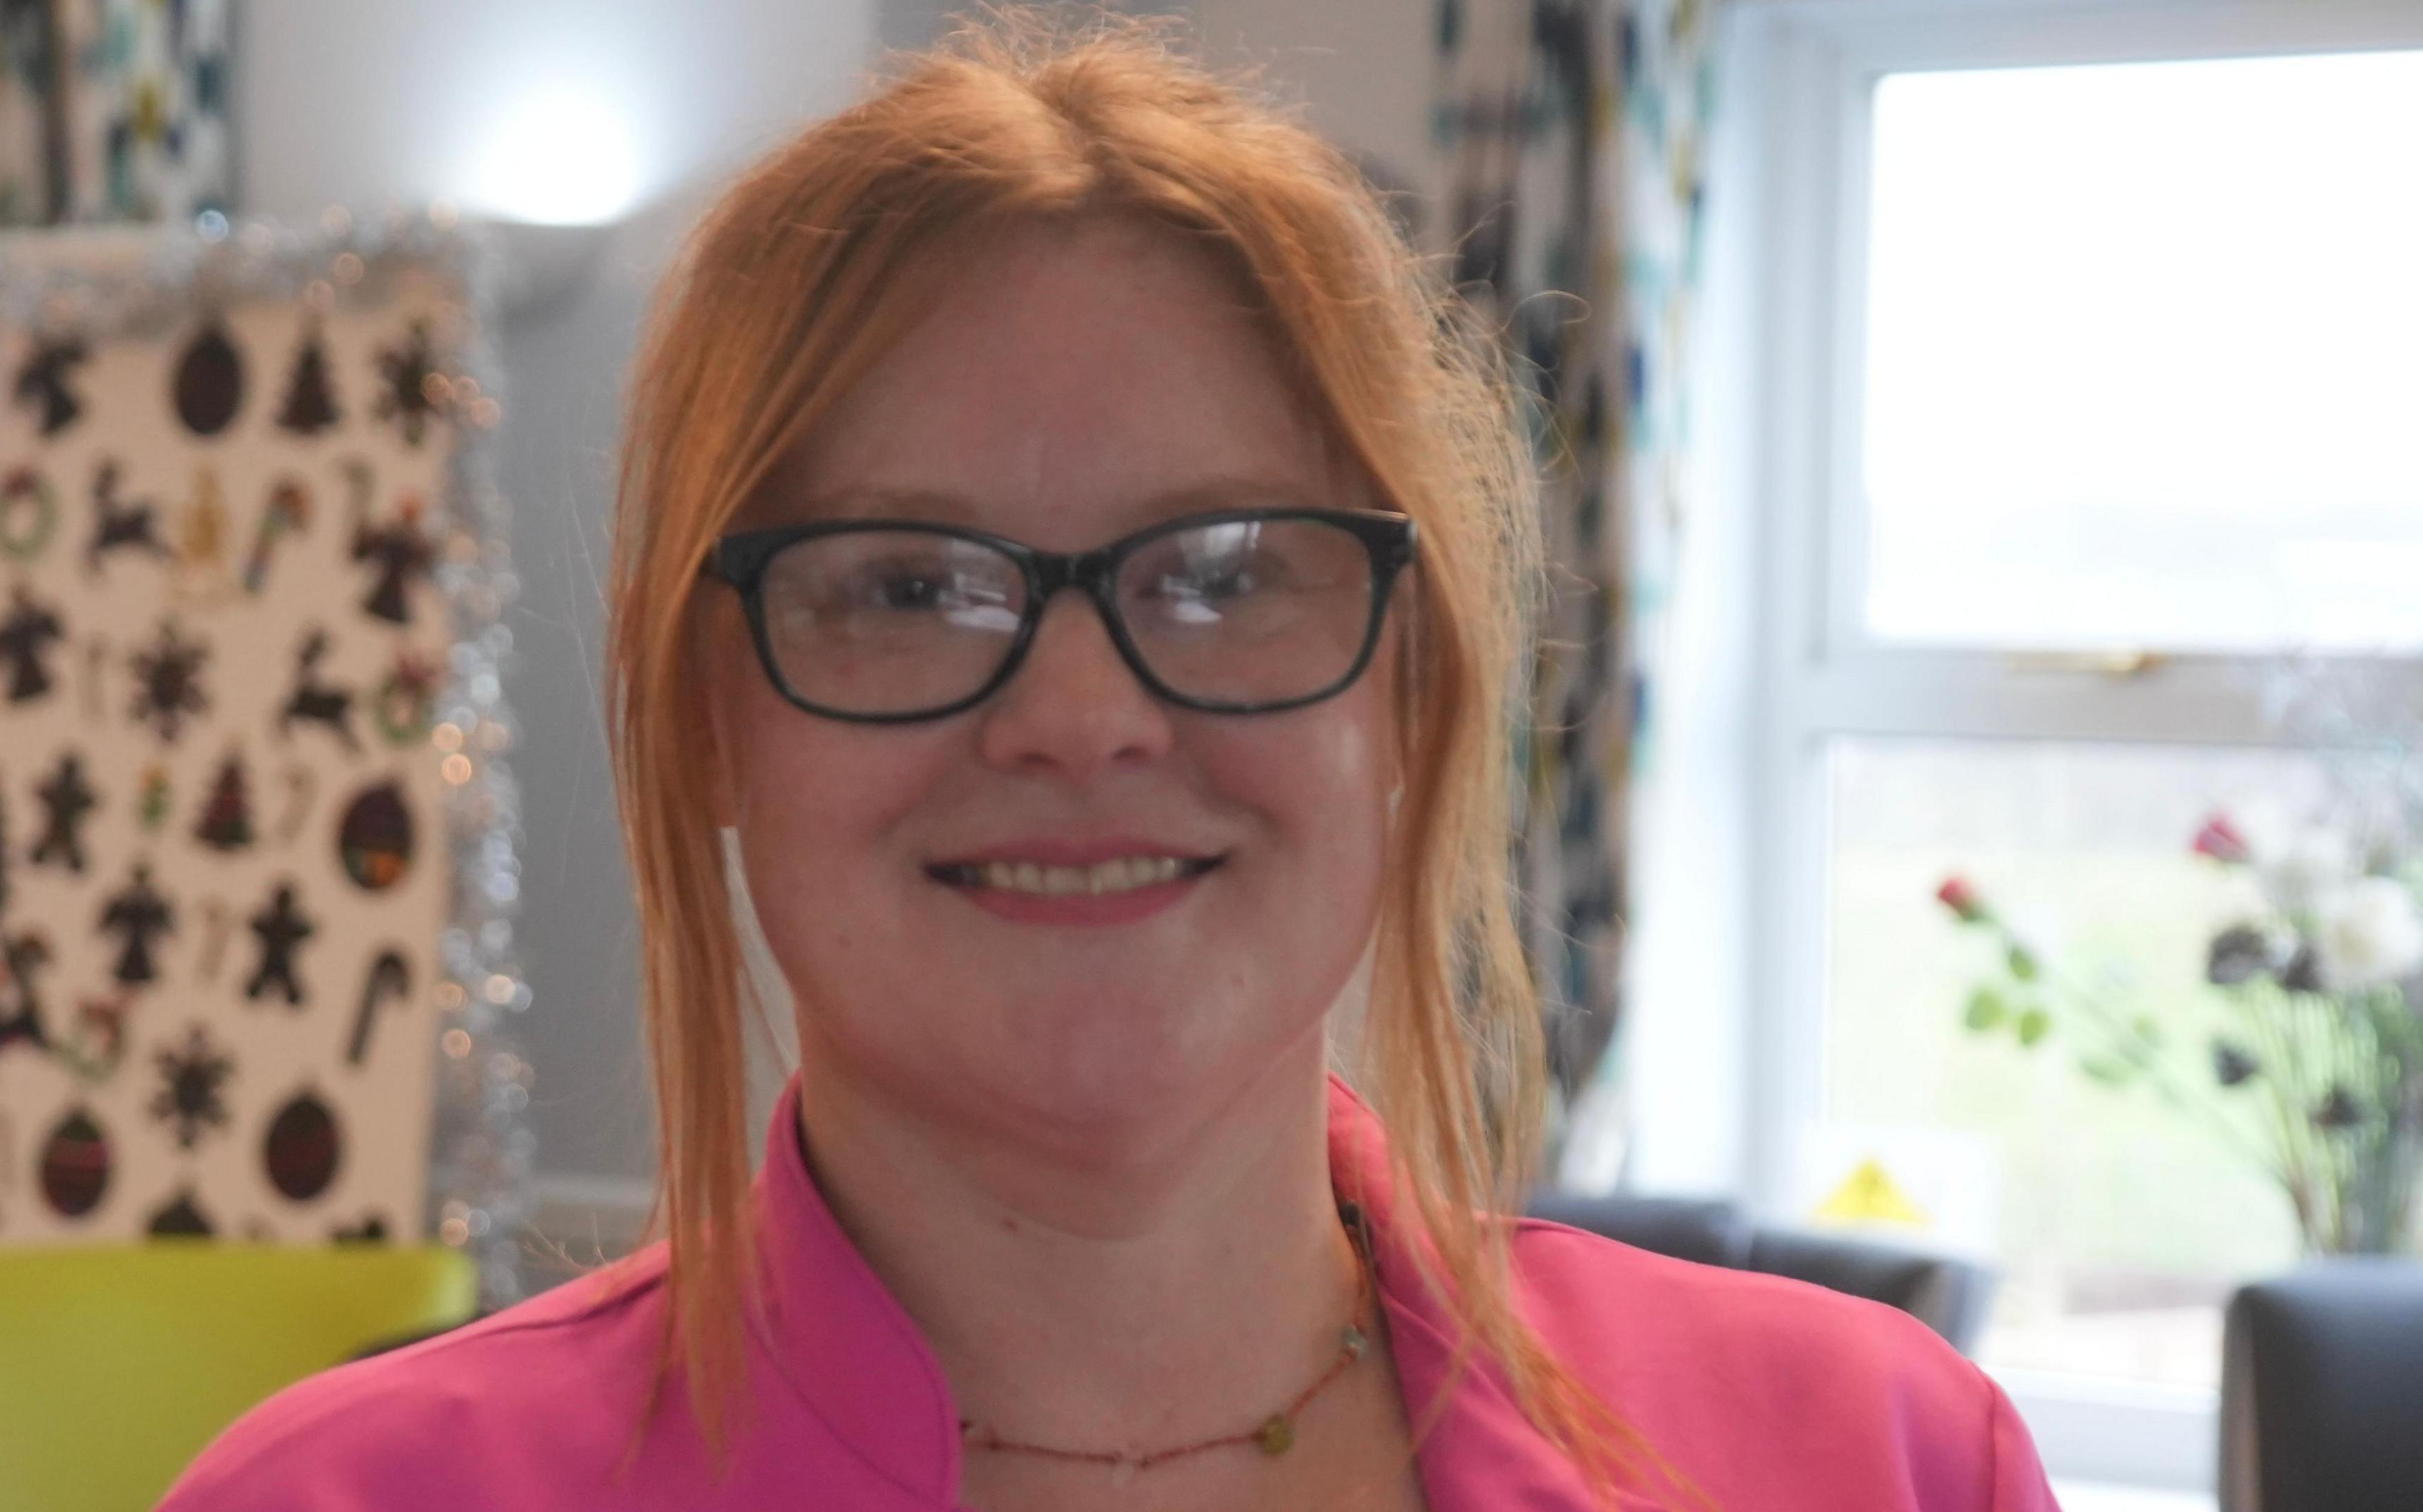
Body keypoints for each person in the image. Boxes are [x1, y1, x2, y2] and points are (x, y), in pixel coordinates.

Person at [160, 12, 2058, 1511]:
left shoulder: (1881, 1462)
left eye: (1227, 572)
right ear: (707, 712)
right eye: (907, 583)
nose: (1080, 714)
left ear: (1408, 687)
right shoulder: (345, 1501)